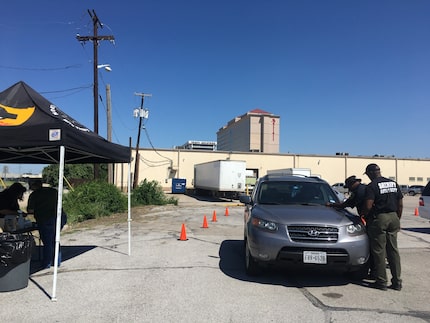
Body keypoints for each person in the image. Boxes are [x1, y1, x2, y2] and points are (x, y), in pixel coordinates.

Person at [362, 163, 403, 291]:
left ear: (370, 173)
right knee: (393, 251)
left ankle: (381, 281)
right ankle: (397, 282)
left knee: (379, 251)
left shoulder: (372, 186)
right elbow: (400, 203)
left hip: (380, 218)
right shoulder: (393, 183)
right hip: (393, 216)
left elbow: (368, 205)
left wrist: (365, 215)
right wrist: (397, 218)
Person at [27, 180, 61, 269]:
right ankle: (57, 261)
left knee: (47, 242)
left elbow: (30, 210)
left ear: (33, 186)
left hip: (43, 219)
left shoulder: (34, 195)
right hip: (57, 217)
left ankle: (47, 263)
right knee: (55, 240)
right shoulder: (53, 191)